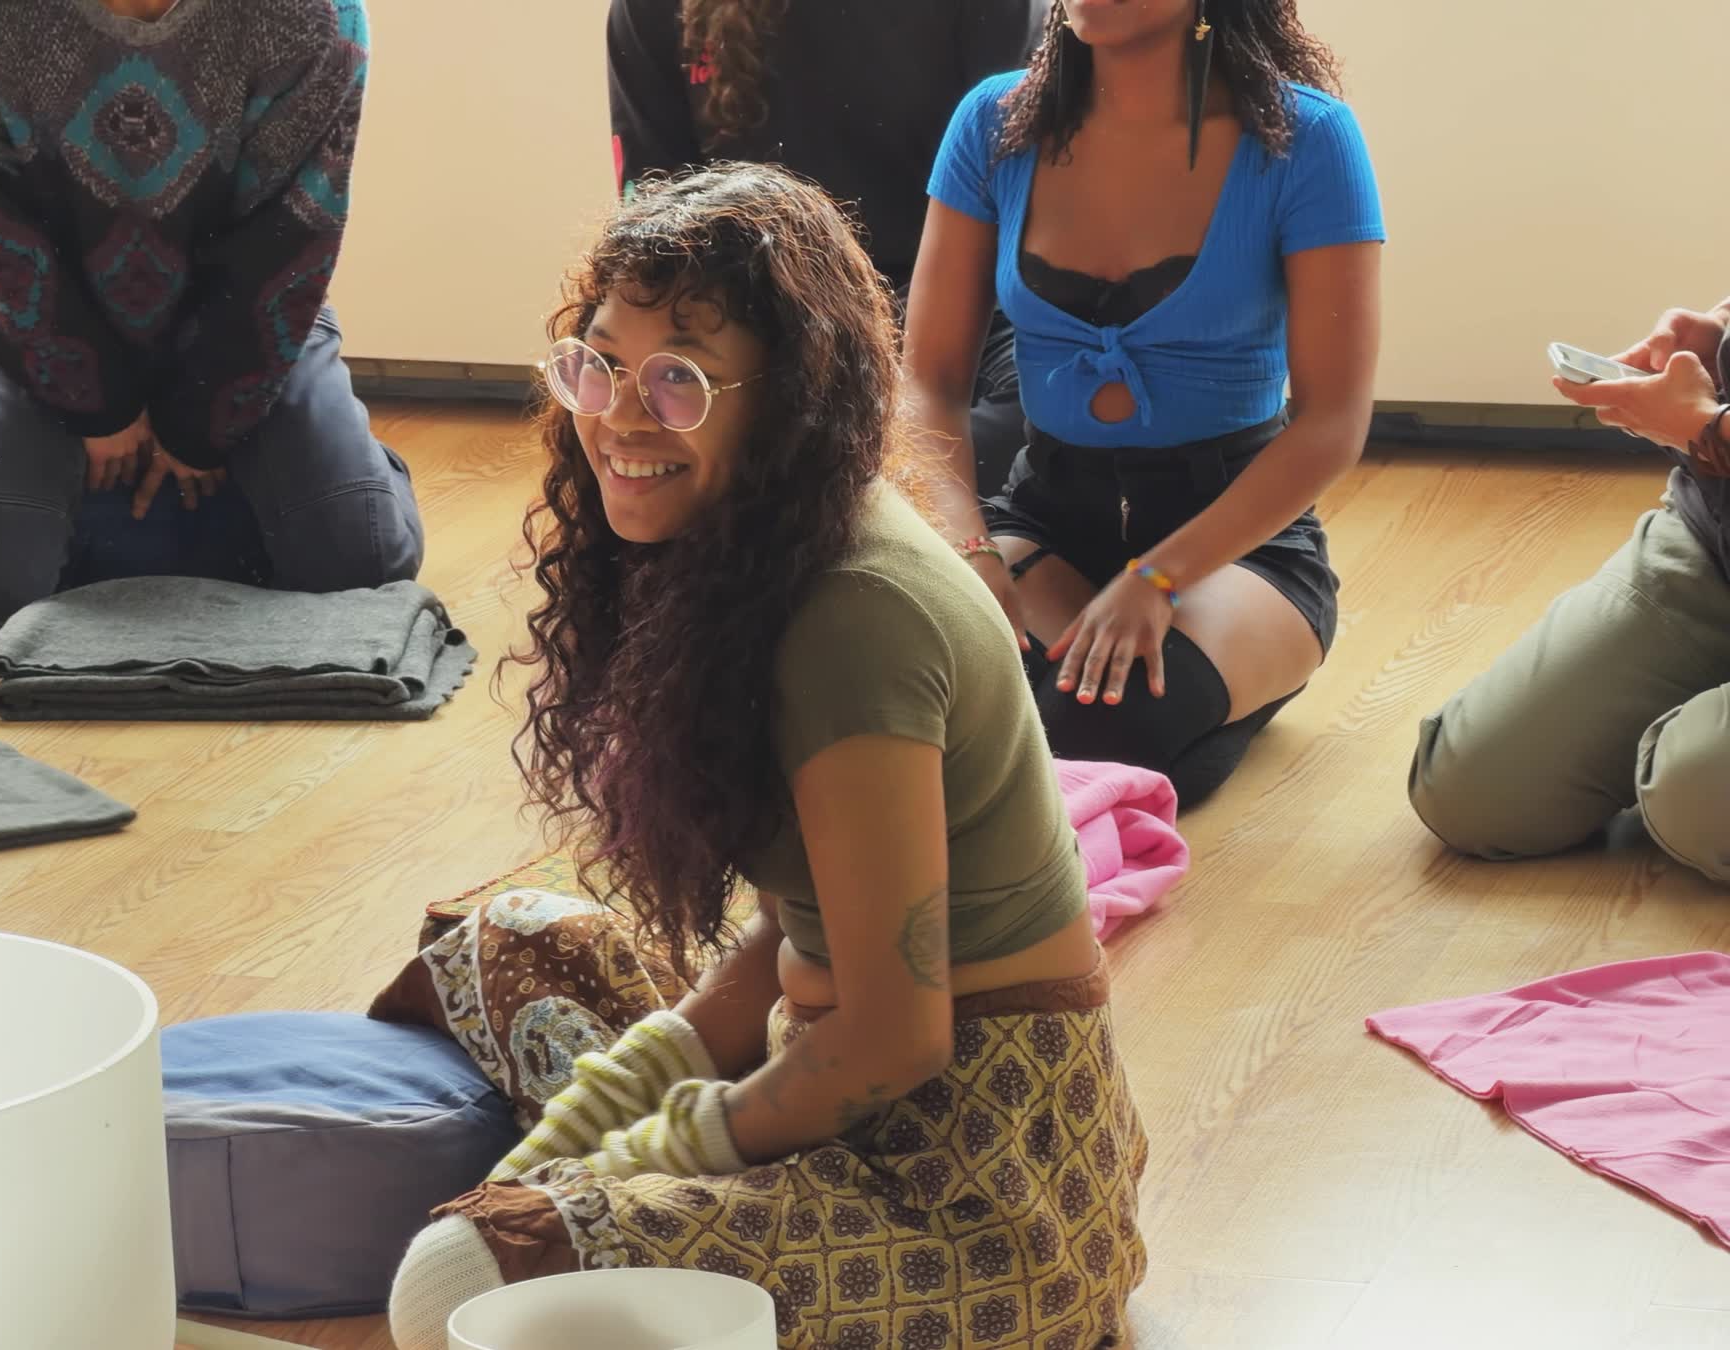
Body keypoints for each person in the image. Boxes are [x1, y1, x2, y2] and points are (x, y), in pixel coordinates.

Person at [379, 166, 1145, 1350]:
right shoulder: (756, 543)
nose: (622, 417)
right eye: (599, 362)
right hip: (844, 1073)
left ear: (788, 396)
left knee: (450, 1282)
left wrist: (642, 1156)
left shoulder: (853, 619)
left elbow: (896, 1038)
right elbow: (801, 925)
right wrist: (605, 1121)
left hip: (977, 1188)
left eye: (678, 378)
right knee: (502, 940)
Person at [898, 0, 1383, 808]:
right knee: (931, 708)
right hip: (1047, 513)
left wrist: (1158, 579)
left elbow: (1334, 422)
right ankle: (1195, 729)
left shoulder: (1307, 141)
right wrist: (969, 546)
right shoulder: (993, 121)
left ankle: (1229, 680)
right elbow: (930, 381)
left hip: (1234, 547)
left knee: (1081, 733)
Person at [0, 0, 425, 654]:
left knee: (361, 564)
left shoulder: (315, 14)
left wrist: (199, 426)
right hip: (31, 322)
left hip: (255, 322)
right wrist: (96, 410)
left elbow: (289, 240)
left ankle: (350, 465)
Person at [607, 0, 1046, 494]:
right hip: (759, 313)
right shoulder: (652, 11)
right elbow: (652, 241)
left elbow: (1017, 217)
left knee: (1043, 413)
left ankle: (816, 505)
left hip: (950, 303)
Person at [1409, 304, 1730, 883]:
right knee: (1479, 793)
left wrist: (1710, 430)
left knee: (1696, 795)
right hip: (1715, 547)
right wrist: (1721, 338)